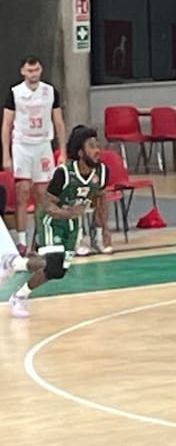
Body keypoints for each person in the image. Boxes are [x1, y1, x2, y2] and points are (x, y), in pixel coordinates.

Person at [7, 125, 106, 319]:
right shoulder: (64, 173)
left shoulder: (101, 173)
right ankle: (18, 297)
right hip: (51, 221)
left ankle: (17, 264)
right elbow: (46, 205)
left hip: (72, 224)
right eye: (92, 146)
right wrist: (67, 213)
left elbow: (99, 198)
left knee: (58, 271)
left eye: (98, 145)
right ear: (80, 152)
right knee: (53, 265)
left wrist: (102, 228)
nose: (98, 150)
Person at [2, 55, 68, 255]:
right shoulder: (14, 93)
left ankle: (39, 240)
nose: (33, 74)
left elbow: (59, 123)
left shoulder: (50, 92)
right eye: (29, 71)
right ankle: (21, 242)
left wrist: (62, 151)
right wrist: (6, 155)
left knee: (43, 196)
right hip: (22, 146)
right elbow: (6, 125)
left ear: (41, 70)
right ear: (23, 72)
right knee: (22, 193)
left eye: (36, 70)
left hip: (43, 145)